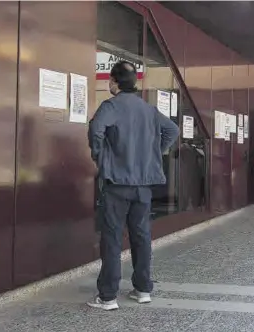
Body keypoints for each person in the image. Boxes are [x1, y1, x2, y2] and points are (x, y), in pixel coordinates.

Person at [87, 61, 179, 310]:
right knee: (141, 236)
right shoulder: (148, 109)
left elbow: (96, 129)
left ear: (114, 83)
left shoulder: (111, 106)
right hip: (144, 185)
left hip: (117, 182)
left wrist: (101, 157)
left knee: (112, 237)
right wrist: (154, 154)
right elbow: (172, 130)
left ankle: (107, 296)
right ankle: (142, 289)